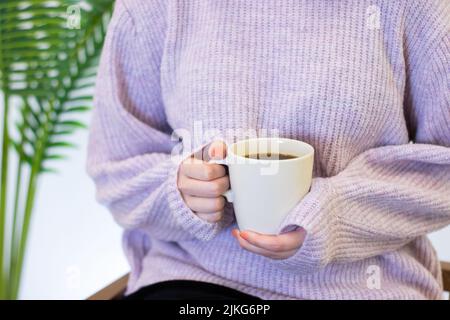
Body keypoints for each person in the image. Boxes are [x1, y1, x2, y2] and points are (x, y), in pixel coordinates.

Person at [87, 0, 450, 299]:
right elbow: (114, 170)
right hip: (195, 285)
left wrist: (335, 213)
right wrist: (178, 191)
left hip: (363, 287)